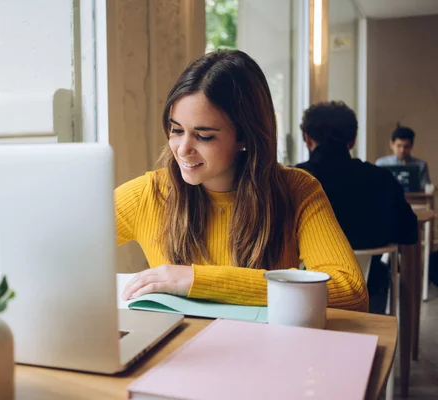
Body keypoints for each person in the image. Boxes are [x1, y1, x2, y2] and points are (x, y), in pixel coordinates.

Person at [115, 50, 368, 312]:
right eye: (176, 130)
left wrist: (197, 280)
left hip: (265, 349)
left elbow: (350, 290)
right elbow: (70, 241)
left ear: (246, 137)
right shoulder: (149, 193)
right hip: (180, 350)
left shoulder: (297, 190)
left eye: (204, 136)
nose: (182, 149)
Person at [295, 101, 418, 313]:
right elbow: (409, 233)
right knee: (378, 272)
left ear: (307, 138)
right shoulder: (382, 179)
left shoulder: (294, 180)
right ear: (352, 140)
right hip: (367, 293)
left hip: (302, 292)